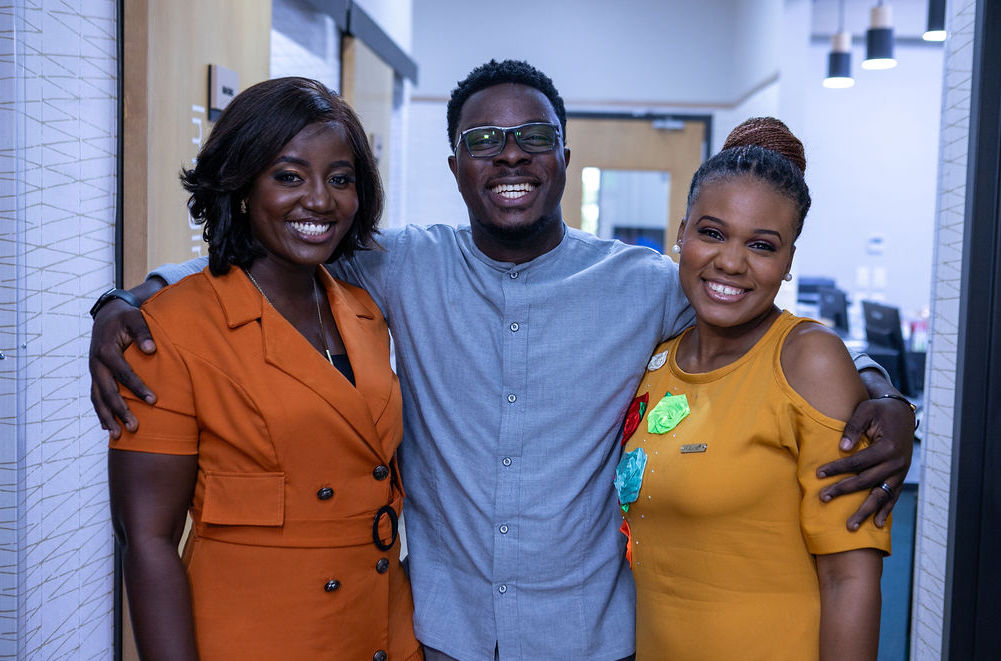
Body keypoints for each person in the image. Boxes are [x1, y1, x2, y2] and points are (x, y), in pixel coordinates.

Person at [91, 61, 914, 661]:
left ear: (564, 158)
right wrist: (124, 299)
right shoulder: (397, 266)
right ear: (455, 166)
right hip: (440, 633)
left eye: (534, 138)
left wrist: (879, 389)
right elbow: (262, 255)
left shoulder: (642, 285)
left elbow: (765, 319)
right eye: (484, 140)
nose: (510, 155)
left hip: (591, 638)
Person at [106, 77, 421, 660]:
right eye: (289, 176)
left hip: (383, 633)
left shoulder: (364, 311)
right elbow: (146, 541)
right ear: (243, 186)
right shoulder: (171, 329)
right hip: (258, 636)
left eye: (340, 179)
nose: (320, 200)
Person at [618, 118, 888, 660]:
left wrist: (889, 399)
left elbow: (850, 579)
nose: (731, 262)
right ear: (682, 233)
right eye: (712, 233)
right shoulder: (657, 359)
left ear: (788, 262)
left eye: (762, 245)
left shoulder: (808, 360)